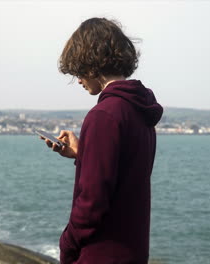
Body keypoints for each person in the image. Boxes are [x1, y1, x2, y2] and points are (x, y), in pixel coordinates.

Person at [41, 17, 163, 264]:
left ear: (92, 64)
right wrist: (82, 154)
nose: (78, 79)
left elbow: (92, 202)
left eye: (78, 70)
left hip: (101, 254)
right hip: (133, 250)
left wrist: (67, 244)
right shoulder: (140, 109)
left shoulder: (104, 115)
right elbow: (123, 173)